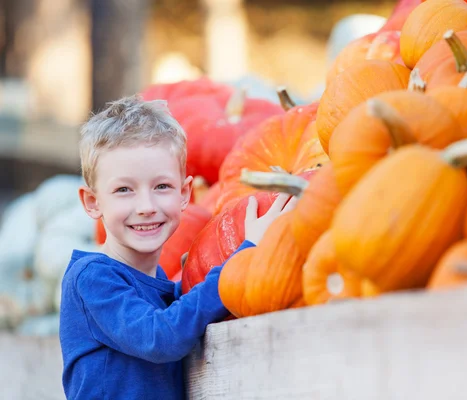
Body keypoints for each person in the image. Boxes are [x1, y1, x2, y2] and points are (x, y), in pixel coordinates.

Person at [59, 95, 296, 400]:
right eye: (123, 190)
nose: (146, 206)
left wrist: (187, 287)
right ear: (93, 202)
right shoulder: (91, 279)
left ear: (185, 194)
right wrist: (241, 260)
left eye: (162, 187)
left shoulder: (159, 284)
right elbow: (161, 338)